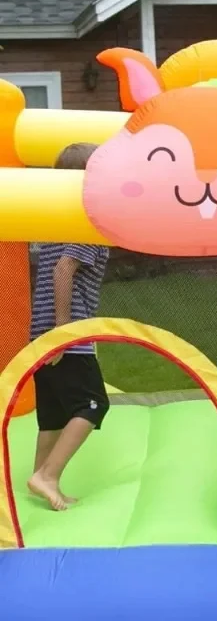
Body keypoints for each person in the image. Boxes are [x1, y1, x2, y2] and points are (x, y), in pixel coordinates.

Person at [27, 143, 110, 511]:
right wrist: (64, 330)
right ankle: (47, 476)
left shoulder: (54, 224)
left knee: (54, 412)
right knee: (93, 404)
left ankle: (39, 475)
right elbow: (64, 270)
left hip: (41, 332)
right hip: (66, 335)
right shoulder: (84, 224)